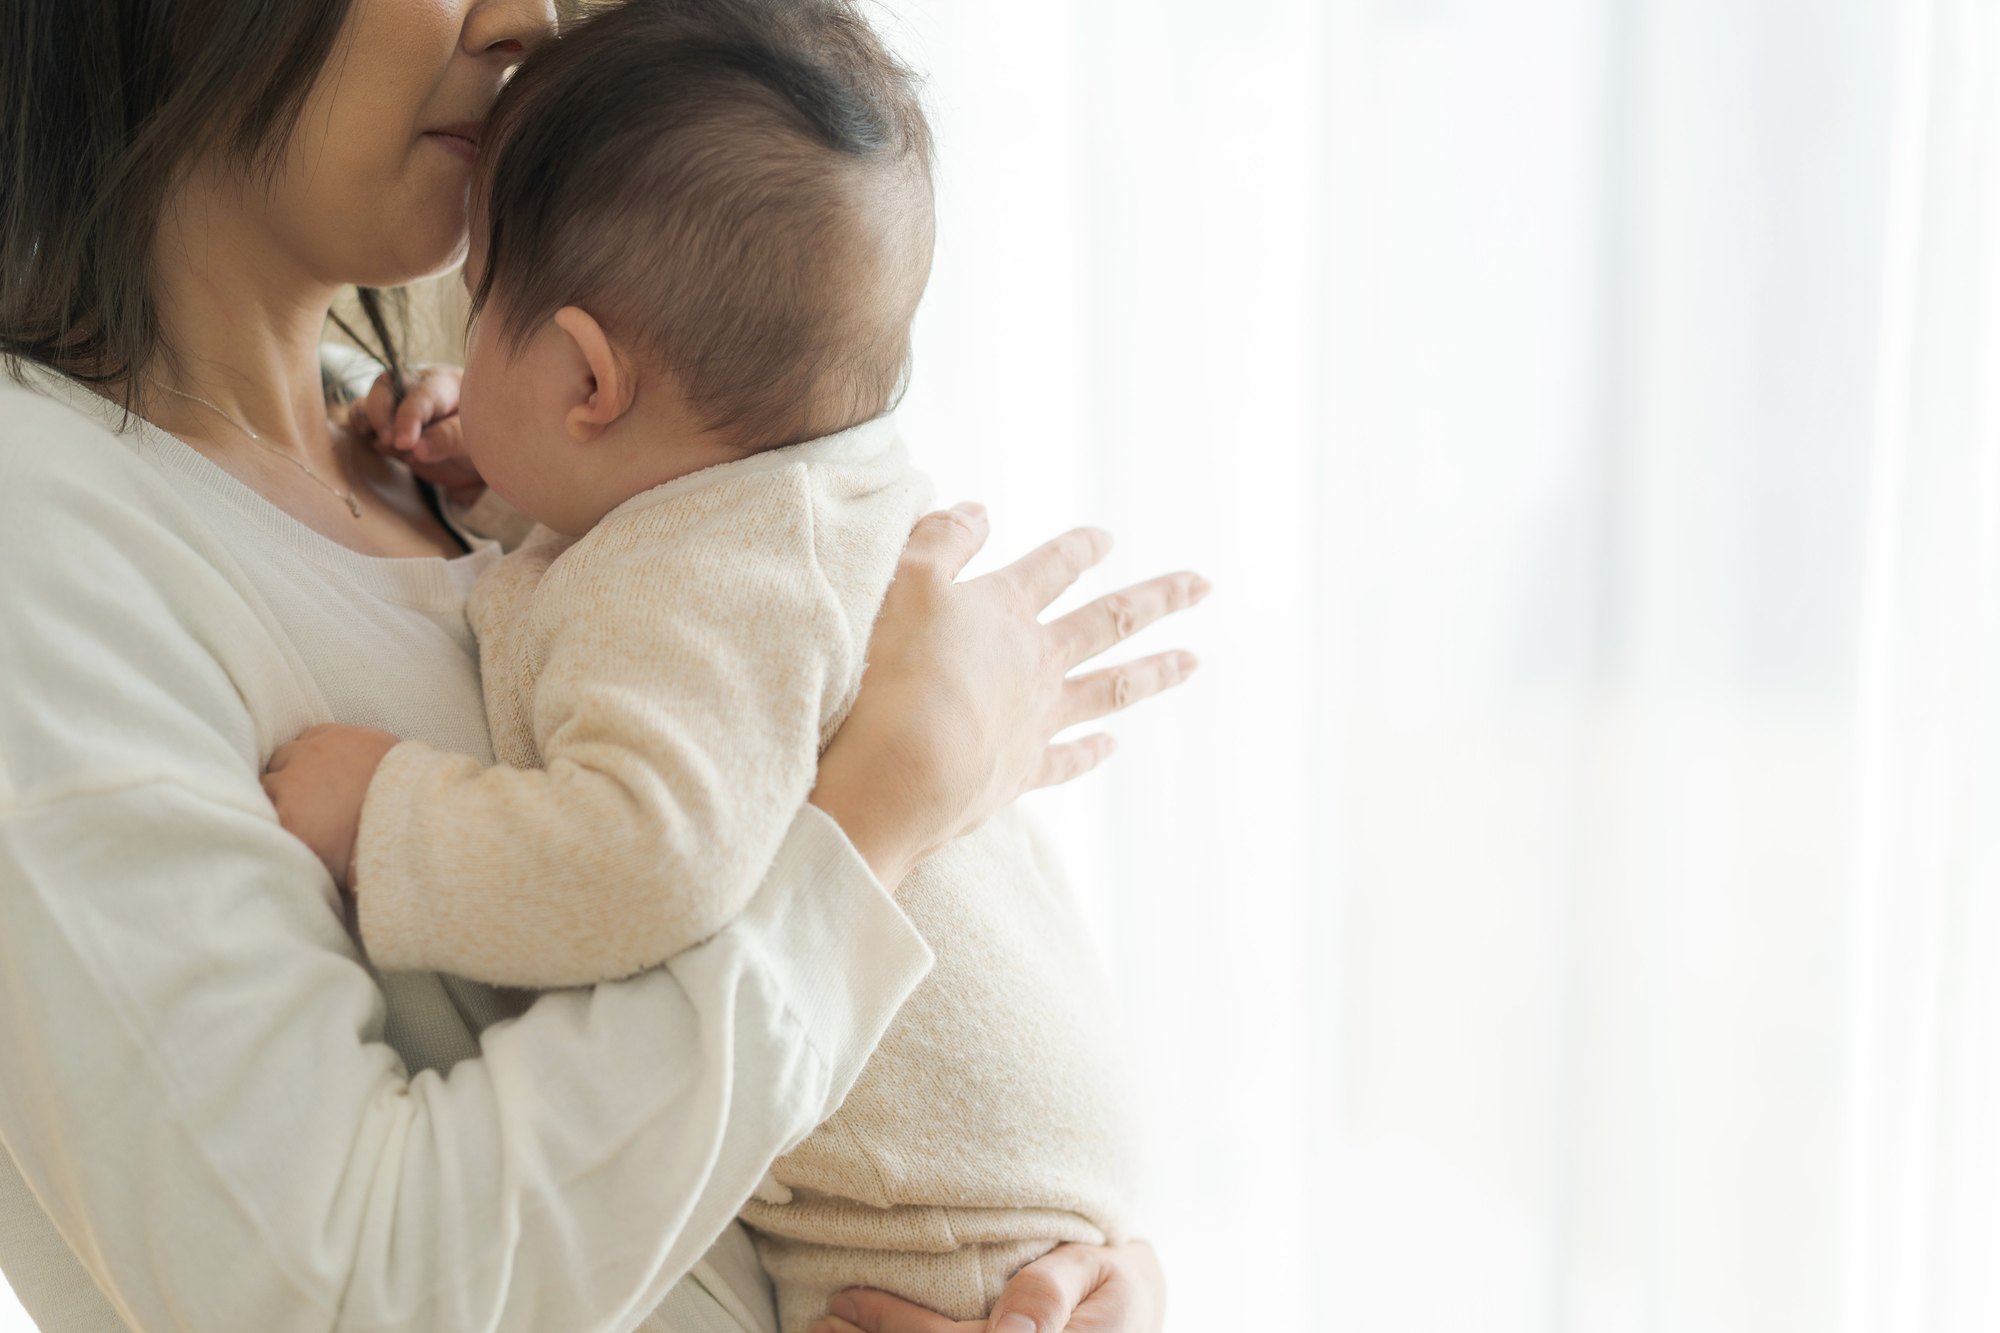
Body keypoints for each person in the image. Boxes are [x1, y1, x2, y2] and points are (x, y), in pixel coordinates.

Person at [0, 0, 1199, 1330]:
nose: (530, 15)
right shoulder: (44, 538)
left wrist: (1049, 1262)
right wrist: (877, 818)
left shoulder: (493, 466)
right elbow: (341, 1290)